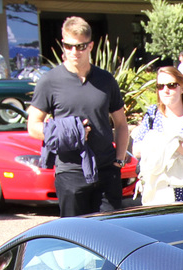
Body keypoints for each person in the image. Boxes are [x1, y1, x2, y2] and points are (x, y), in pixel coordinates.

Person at [28, 17, 129, 216]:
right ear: (63, 45)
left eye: (81, 46)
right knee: (75, 238)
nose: (75, 52)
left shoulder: (106, 80)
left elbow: (121, 124)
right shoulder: (49, 81)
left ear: (90, 46)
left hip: (106, 171)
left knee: (109, 238)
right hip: (70, 171)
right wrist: (69, 133)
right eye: (69, 46)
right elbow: (33, 126)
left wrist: (118, 162)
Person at [132, 66, 183, 203]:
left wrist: (167, 141)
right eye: (160, 86)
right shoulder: (152, 115)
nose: (165, 90)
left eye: (171, 85)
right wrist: (168, 143)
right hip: (159, 196)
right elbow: (137, 150)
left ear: (182, 88)